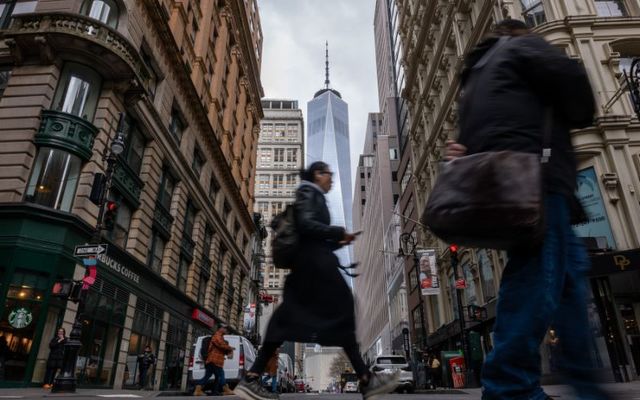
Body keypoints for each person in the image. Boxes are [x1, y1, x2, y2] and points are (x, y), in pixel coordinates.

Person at [446, 19, 609, 400]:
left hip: (509, 186)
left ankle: (587, 386)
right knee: (536, 277)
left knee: (568, 285)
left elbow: (467, 141)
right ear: (518, 32)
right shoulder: (520, 47)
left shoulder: (475, 77)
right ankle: (510, 387)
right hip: (538, 180)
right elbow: (574, 85)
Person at [234, 162, 399, 400]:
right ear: (317, 174)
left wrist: (336, 241)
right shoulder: (309, 191)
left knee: (290, 318)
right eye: (329, 174)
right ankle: (366, 379)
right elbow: (306, 225)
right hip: (315, 268)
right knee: (340, 313)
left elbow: (310, 234)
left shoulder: (312, 194)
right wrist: (337, 233)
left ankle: (252, 377)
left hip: (310, 265)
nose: (331, 179)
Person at [193, 325, 235, 396]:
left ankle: (198, 390)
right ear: (220, 328)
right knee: (221, 374)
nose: (226, 330)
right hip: (214, 360)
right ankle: (226, 389)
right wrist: (230, 348)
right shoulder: (217, 335)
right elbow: (220, 344)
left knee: (208, 375)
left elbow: (221, 348)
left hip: (214, 360)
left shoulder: (221, 337)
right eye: (225, 328)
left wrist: (228, 352)